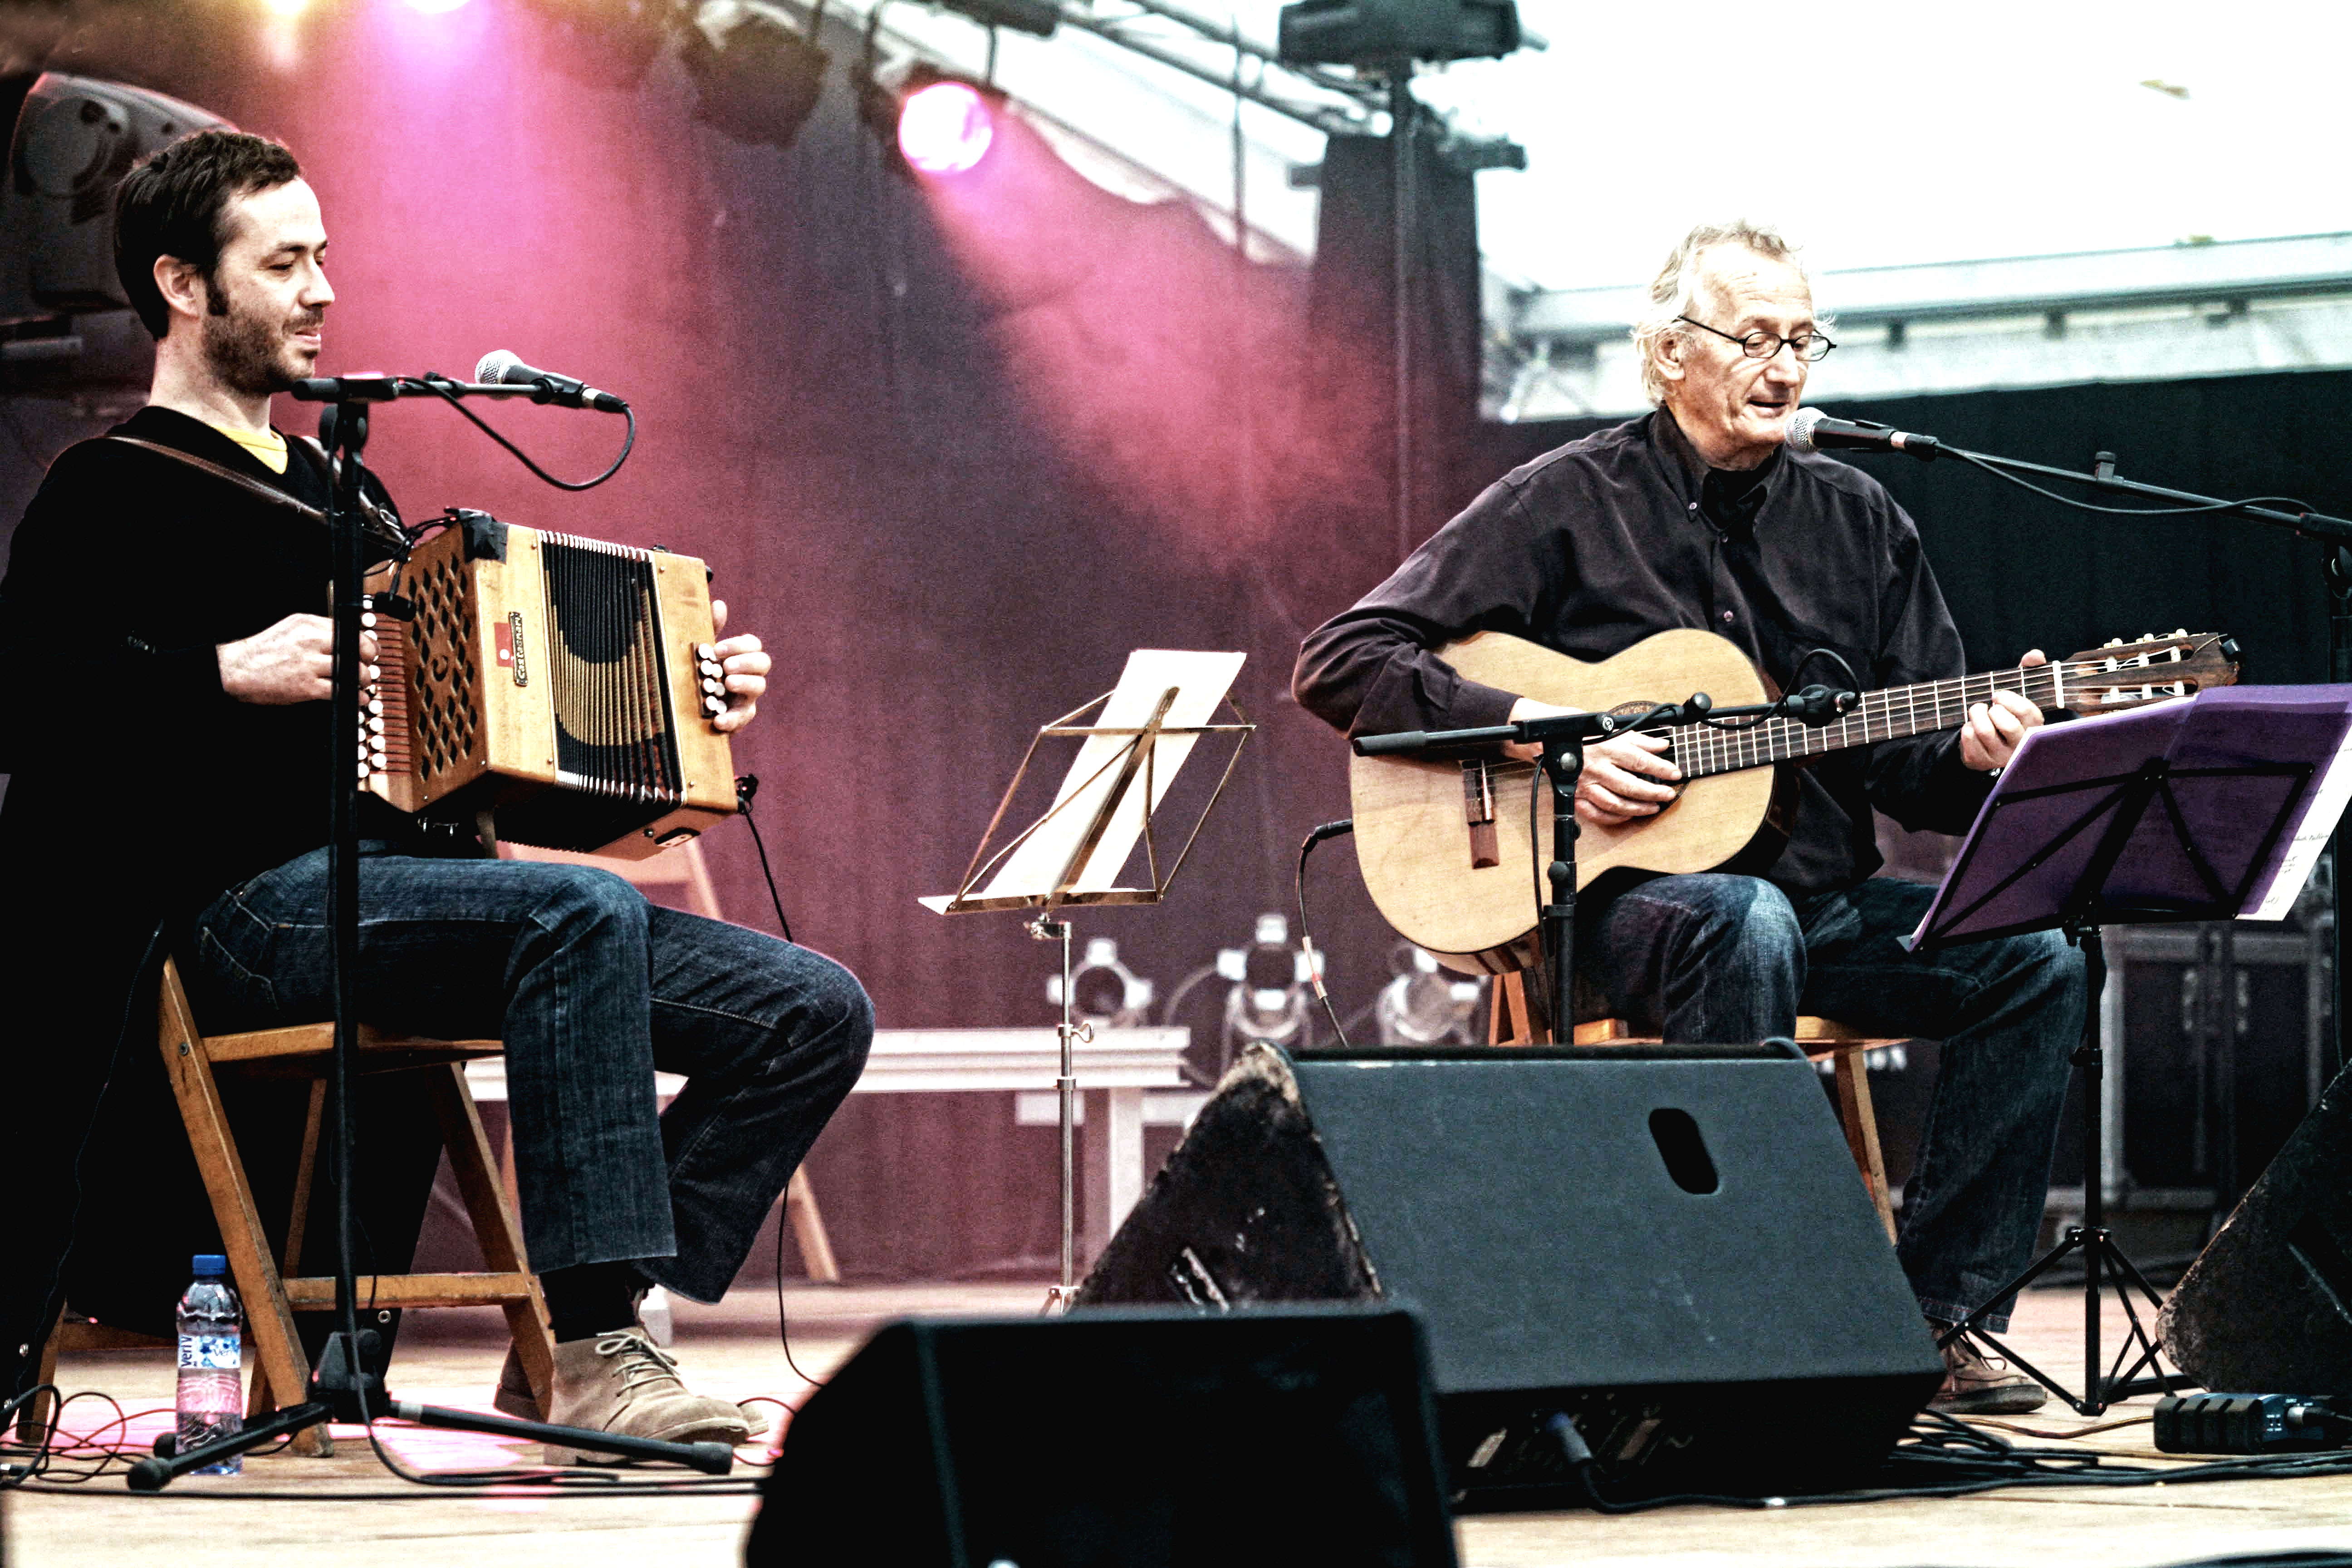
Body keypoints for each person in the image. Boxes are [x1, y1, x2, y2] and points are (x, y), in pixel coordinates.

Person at [0, 130, 873, 1459]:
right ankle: (598, 1348)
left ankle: (580, 1332)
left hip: (404, 894)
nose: (322, 291)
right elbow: (25, 699)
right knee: (574, 914)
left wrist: (683, 711)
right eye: (282, 264)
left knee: (811, 1011)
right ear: (181, 284)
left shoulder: (353, 494)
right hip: (235, 913)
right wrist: (220, 672)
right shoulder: (108, 488)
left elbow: (476, 768)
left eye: (323, 257)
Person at [1292, 220, 2082, 1415]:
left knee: (2039, 954)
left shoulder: (1862, 520)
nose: (1785, 366)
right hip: (1607, 916)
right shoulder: (1566, 500)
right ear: (1669, 352)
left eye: (1803, 340)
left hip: (1822, 908)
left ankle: (1941, 1317)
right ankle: (1742, 1321)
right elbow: (1342, 658)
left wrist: (1977, 755)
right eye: (1755, 337)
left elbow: (1912, 774)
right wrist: (1543, 734)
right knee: (1741, 919)